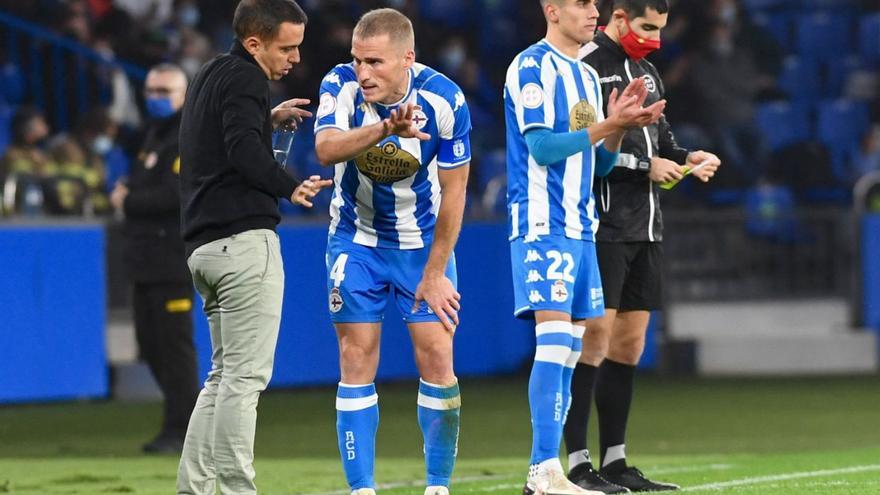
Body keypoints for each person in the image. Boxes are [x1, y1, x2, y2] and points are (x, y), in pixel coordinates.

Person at [505, 1, 665, 494]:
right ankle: (542, 471)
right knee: (554, 345)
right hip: (541, 222)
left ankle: (551, 473)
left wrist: (618, 126)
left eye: (594, 3)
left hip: (579, 225)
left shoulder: (581, 75)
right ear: (551, 9)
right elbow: (543, 148)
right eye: (581, 3)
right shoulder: (532, 65)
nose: (592, 10)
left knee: (573, 349)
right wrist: (604, 125)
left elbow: (596, 166)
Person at [562, 1, 720, 492]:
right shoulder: (586, 66)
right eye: (647, 26)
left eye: (660, 29)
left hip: (646, 227)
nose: (654, 37)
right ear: (621, 17)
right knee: (593, 343)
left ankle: (616, 461)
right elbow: (581, 145)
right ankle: (577, 463)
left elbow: (661, 142)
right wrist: (643, 168)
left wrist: (688, 157)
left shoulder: (647, 71)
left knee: (628, 347)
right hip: (602, 224)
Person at [176, 1, 332, 493]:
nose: (295, 59)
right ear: (254, 43)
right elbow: (242, 151)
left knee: (222, 378)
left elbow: (218, 141)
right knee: (244, 381)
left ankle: (195, 487)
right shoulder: (247, 80)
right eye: (287, 47)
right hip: (244, 244)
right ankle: (237, 489)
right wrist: (290, 187)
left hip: (204, 248)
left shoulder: (209, 74)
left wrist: (266, 117)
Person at [313, 8, 471, 495]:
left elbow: (456, 190)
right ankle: (362, 489)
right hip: (355, 241)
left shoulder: (445, 99)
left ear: (408, 58)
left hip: (421, 245)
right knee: (355, 356)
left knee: (438, 358)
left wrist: (436, 271)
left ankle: (438, 487)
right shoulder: (339, 85)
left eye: (375, 63)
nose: (363, 73)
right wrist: (385, 130)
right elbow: (326, 148)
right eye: (358, 60)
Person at [108, 63, 199, 454]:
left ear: (183, 95)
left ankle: (183, 429)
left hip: (171, 259)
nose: (156, 98)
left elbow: (176, 197)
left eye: (165, 92)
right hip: (145, 259)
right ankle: (181, 420)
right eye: (152, 90)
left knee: (174, 347)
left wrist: (127, 200)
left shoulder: (186, 137)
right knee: (150, 343)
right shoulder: (153, 135)